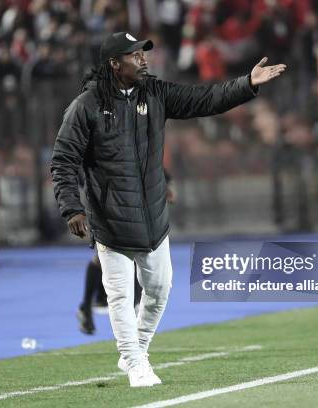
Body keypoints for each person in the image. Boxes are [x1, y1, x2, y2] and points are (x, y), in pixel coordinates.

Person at [51, 31, 285, 387]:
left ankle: (137, 351)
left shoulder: (155, 93)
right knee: (120, 296)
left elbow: (204, 99)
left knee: (159, 291)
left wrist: (246, 84)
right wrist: (72, 208)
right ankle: (134, 363)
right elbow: (63, 160)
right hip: (110, 219)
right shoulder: (86, 106)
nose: (144, 59)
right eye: (135, 55)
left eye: (144, 54)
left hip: (154, 218)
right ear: (115, 64)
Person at [77, 169, 176, 335]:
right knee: (108, 253)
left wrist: (162, 182)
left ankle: (122, 304)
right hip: (106, 198)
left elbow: (142, 156)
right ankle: (90, 306)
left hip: (132, 198)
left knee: (133, 250)